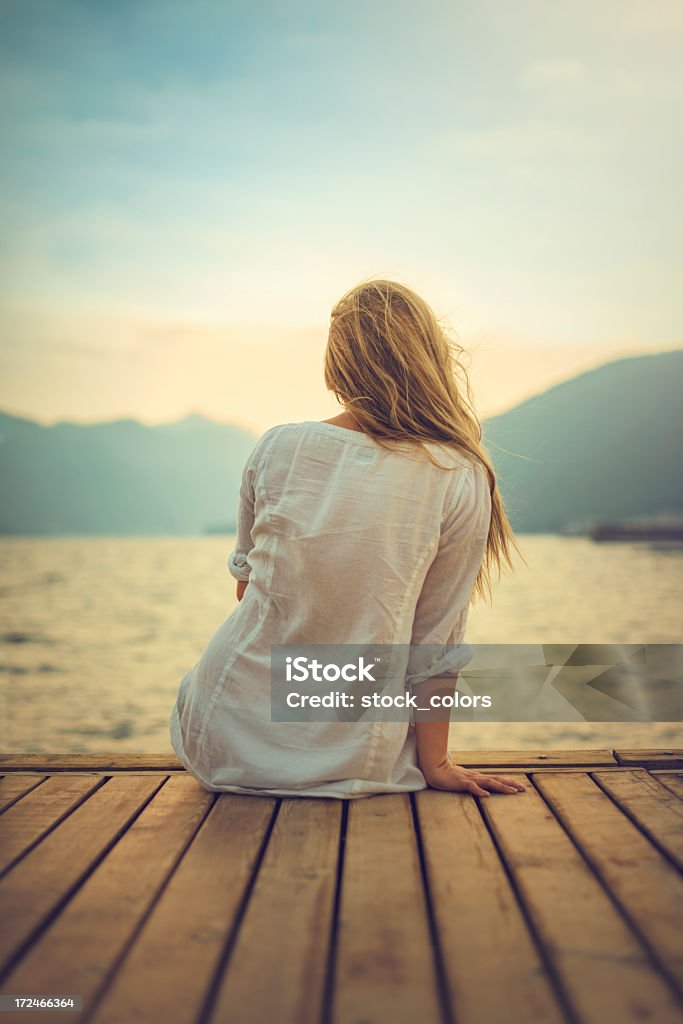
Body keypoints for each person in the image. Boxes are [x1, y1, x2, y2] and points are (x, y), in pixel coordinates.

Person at [170, 278, 525, 799]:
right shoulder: (457, 474)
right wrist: (438, 763)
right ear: (429, 358)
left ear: (337, 364)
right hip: (355, 756)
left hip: (224, 734)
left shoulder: (278, 447)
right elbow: (434, 647)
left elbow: (249, 592)